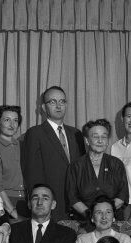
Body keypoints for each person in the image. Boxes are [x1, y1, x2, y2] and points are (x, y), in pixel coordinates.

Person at [21, 86, 85, 220]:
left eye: (62, 101)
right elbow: (31, 173)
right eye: (53, 102)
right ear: (44, 107)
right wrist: (41, 202)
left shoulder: (76, 133)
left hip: (77, 204)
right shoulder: (35, 133)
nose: (58, 106)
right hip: (51, 203)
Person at [65, 119, 129, 223]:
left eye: (104, 137)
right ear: (87, 140)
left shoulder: (116, 164)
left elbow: (122, 196)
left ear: (108, 141)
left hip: (112, 221)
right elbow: (72, 198)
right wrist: (92, 216)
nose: (100, 141)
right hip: (84, 221)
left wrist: (106, 215)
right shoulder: (76, 166)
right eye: (95, 137)